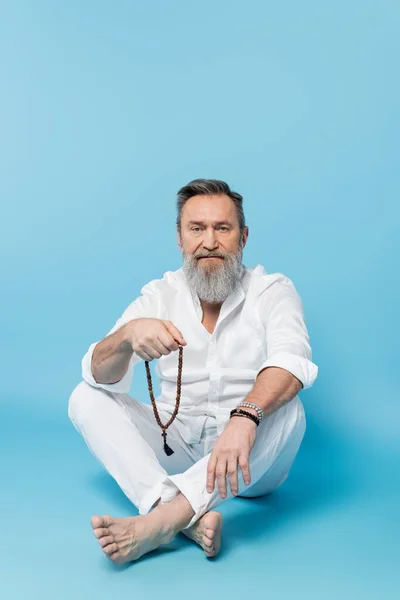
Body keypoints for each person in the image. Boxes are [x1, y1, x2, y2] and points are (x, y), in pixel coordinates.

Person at [68, 178, 318, 564]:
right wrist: (127, 337)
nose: (210, 241)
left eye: (223, 228)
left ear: (243, 237)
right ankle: (175, 512)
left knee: (290, 408)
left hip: (250, 463)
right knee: (84, 396)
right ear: (180, 239)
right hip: (177, 444)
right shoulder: (159, 295)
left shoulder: (272, 291)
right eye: (196, 229)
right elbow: (98, 371)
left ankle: (161, 520)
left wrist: (245, 416)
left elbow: (291, 360)